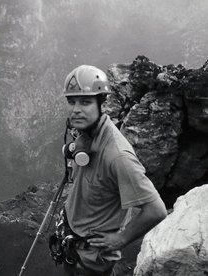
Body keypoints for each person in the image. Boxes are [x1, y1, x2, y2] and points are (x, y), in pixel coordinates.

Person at [60, 65, 168, 276]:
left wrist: (120, 239)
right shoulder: (88, 135)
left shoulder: (118, 157)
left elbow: (156, 210)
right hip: (74, 244)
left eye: (85, 102)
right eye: (71, 101)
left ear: (102, 104)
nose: (76, 109)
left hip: (90, 261)